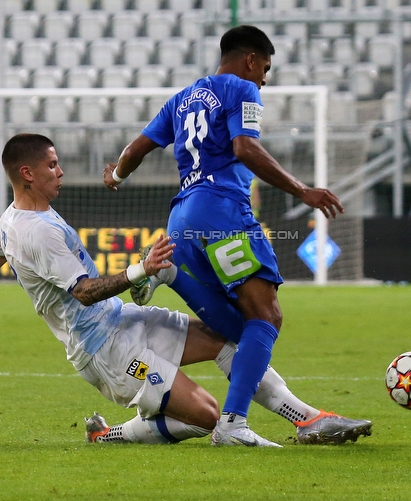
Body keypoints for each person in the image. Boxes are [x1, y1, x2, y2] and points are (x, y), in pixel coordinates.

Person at [0, 133, 372, 446]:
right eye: (52, 165)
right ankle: (110, 436)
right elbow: (84, 292)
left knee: (226, 338)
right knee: (205, 415)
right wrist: (140, 270)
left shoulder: (14, 220)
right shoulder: (35, 232)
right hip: (104, 351)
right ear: (27, 173)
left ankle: (307, 419)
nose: (61, 171)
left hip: (122, 321)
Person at [103, 25, 348, 447]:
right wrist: (303, 191)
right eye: (266, 68)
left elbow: (133, 152)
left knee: (242, 328)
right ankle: (233, 424)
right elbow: (245, 148)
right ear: (251, 59)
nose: (265, 79)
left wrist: (117, 176)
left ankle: (169, 273)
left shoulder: (181, 100)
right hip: (222, 212)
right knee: (267, 316)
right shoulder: (242, 88)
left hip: (182, 221)